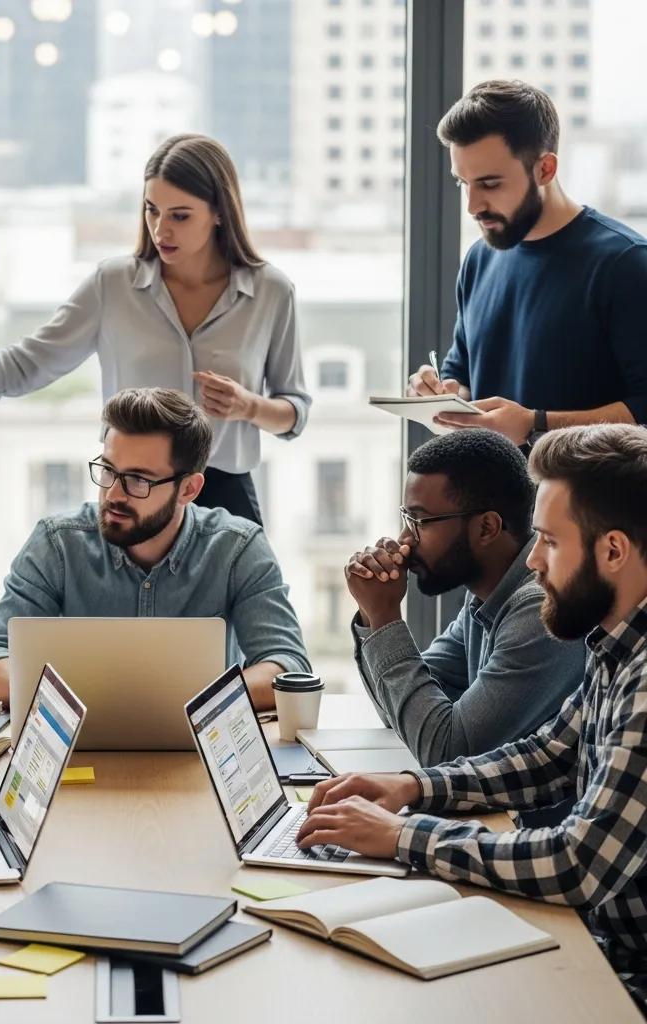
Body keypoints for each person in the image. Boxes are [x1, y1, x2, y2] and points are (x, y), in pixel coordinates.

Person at [298, 424, 647, 1013]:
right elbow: (548, 755)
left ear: (612, 550)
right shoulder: (616, 644)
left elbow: (576, 864)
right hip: (598, 940)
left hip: (626, 971)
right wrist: (410, 788)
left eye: (549, 541)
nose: (532, 560)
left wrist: (404, 835)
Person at [0, 134, 311, 525]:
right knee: (131, 648)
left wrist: (250, 406)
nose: (162, 229)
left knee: (233, 649)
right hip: (129, 494)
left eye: (180, 216)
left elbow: (295, 412)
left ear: (220, 213)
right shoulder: (112, 285)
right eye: (151, 210)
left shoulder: (271, 292)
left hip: (226, 495)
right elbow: (23, 365)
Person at [0, 387, 309, 709]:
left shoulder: (238, 548)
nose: (114, 495)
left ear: (189, 489)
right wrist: (97, 703)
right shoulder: (57, 542)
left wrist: (188, 704)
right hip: (82, 753)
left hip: (200, 751)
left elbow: (286, 666)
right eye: (108, 470)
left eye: (139, 480)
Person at [406, 80, 647, 446]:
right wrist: (440, 392)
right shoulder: (479, 259)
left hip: (589, 502)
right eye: (462, 183)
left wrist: (536, 423)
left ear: (545, 170)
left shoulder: (626, 264)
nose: (472, 205)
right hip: (491, 499)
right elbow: (463, 373)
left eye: (489, 184)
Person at [345, 428, 584, 766]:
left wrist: (384, 617)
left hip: (527, 819)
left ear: (487, 527)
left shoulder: (537, 606)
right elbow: (403, 712)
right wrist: (371, 615)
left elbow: (446, 750)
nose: (403, 541)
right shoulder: (486, 595)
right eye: (406, 518)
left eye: (420, 521)